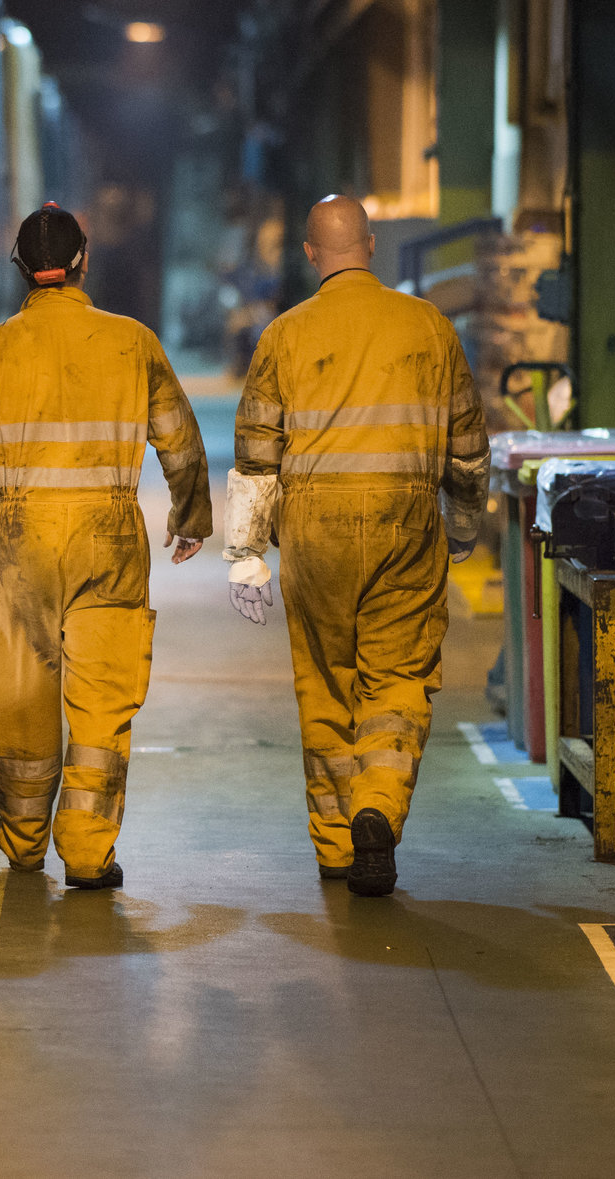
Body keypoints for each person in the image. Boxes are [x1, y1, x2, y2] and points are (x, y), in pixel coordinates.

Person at [0, 204, 212, 890]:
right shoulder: (132, 341)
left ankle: (23, 844)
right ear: (84, 262)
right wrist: (191, 513)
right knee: (102, 704)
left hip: (24, 541)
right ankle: (88, 853)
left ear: (22, 271)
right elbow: (178, 434)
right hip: (108, 537)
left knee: (23, 698)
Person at [224, 195, 488, 897]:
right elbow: (467, 449)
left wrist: (245, 554)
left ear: (312, 254)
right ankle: (379, 803)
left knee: (325, 683)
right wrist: (462, 529)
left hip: (313, 531)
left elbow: (255, 458)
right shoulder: (430, 325)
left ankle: (339, 846)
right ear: (370, 245)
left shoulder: (282, 334)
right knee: (396, 677)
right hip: (405, 523)